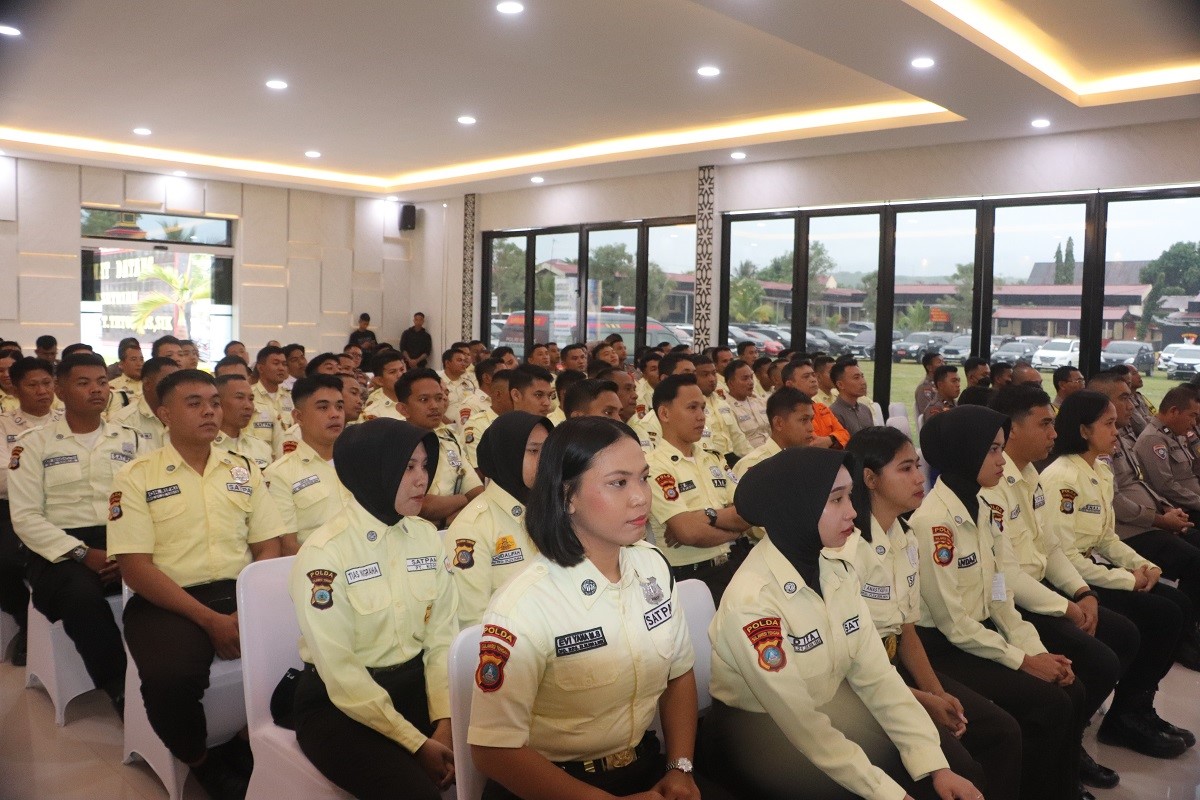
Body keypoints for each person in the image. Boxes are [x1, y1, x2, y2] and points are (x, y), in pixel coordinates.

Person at [470, 416, 732, 800]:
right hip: (555, 785)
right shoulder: (524, 604)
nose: (641, 497)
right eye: (618, 483)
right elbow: (492, 751)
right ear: (567, 496)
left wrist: (680, 768)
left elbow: (678, 673)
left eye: (643, 478)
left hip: (644, 767)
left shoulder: (651, 565)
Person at [702, 447, 983, 800]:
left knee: (954, 773)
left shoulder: (835, 570)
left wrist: (934, 765)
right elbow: (802, 724)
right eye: (837, 499)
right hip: (757, 738)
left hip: (828, 709)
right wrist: (889, 794)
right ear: (797, 507)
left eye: (850, 496)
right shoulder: (753, 602)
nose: (852, 511)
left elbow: (877, 677)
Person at [109, 369, 285, 800]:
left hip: (240, 591)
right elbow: (135, 568)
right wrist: (211, 621)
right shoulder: (137, 476)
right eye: (194, 403)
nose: (210, 411)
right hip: (167, 598)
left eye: (214, 402)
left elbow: (269, 546)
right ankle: (203, 761)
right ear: (165, 413)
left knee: (311, 646)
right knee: (170, 679)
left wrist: (246, 609)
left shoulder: (243, 468)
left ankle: (247, 735)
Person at [912, 405, 1087, 800]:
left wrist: (1037, 652)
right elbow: (954, 624)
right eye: (992, 450)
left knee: (1071, 689)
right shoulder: (933, 524)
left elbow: (1001, 594)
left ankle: (1057, 788)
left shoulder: (985, 507)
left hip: (980, 634)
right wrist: (1023, 661)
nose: (1001, 460)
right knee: (1049, 704)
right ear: (965, 451)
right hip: (945, 646)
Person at [848, 427, 1023, 800]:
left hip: (900, 664)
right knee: (964, 768)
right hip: (861, 683)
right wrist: (926, 700)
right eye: (905, 469)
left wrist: (937, 692)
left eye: (917, 466)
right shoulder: (851, 550)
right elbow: (856, 667)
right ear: (870, 479)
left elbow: (907, 634)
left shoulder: (907, 536)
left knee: (1002, 730)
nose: (918, 478)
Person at [290, 420, 456, 800]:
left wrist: (445, 719)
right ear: (370, 470)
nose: (422, 479)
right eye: (408, 467)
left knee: (505, 759)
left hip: (415, 688)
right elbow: (340, 670)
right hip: (340, 706)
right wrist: (416, 742)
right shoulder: (325, 554)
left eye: (425, 465)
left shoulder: (426, 537)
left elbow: (442, 638)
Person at [981, 385, 1132, 787]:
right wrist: (1067, 607)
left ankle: (1071, 743)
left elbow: (1050, 548)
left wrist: (1083, 592)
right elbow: (1006, 575)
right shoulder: (993, 485)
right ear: (1012, 430)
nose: (1054, 433)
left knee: (1119, 639)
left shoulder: (1031, 475)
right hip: (1007, 601)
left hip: (1038, 588)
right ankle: (1054, 755)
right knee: (1094, 665)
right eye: (1045, 423)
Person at [1037, 390, 1194, 759]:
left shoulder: (1100, 471)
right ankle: (1124, 716)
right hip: (1069, 581)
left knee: (1179, 605)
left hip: (1093, 570)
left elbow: (1106, 538)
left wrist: (1143, 565)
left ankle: (1135, 707)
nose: (1117, 429)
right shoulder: (1061, 478)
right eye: (1108, 424)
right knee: (1161, 614)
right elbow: (1064, 557)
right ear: (1084, 430)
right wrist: (1127, 580)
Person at [9, 353, 139, 713]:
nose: (96, 389)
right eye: (84, 383)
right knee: (81, 596)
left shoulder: (131, 440)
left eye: (102, 382)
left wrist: (127, 552)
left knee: (172, 578)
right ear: (61, 390)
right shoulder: (33, 444)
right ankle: (120, 688)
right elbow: (26, 517)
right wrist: (83, 553)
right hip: (58, 549)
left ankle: (164, 675)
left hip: (121, 540)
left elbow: (145, 505)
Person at [1090, 372, 1200, 667]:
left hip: (1150, 520)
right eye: (1124, 398)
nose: (1133, 404)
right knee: (1194, 561)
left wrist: (1166, 511)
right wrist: (1160, 520)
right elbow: (1115, 501)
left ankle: (1189, 629)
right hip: (1129, 531)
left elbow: (1142, 484)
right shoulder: (1100, 450)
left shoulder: (1122, 438)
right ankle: (1184, 640)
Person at [646, 374, 751, 601]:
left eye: (702, 408)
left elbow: (747, 513)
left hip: (733, 564)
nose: (701, 416)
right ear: (664, 414)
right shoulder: (654, 466)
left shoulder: (714, 458)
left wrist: (705, 516)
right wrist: (734, 530)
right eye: (692, 408)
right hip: (690, 577)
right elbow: (688, 532)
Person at [446, 412, 551, 628]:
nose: (545, 461)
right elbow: (474, 622)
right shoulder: (473, 527)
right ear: (507, 455)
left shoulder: (554, 511)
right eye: (533, 451)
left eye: (548, 451)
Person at [0, 357, 62, 664]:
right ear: (14, 389)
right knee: (6, 562)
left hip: (63, 506)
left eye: (47, 383)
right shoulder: (4, 424)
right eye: (32, 385)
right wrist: (52, 477)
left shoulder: (68, 419)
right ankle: (26, 622)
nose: (42, 391)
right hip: (12, 507)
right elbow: (1, 478)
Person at [265, 375, 347, 555]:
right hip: (317, 568)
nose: (335, 414)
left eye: (339, 406)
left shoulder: (360, 463)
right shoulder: (280, 473)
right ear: (298, 417)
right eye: (323, 407)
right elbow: (287, 546)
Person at [396, 368, 484, 527]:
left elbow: (477, 492)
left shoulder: (449, 438)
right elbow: (424, 507)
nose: (435, 406)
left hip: (454, 528)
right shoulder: (397, 446)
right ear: (403, 409)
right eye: (424, 400)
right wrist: (462, 499)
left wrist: (445, 516)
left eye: (439, 398)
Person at [731, 387, 815, 543]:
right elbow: (753, 526)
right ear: (779, 423)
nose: (811, 428)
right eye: (804, 420)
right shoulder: (754, 465)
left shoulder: (809, 460)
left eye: (812, 420)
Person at [1132, 385, 1200, 524]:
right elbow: (1165, 486)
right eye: (1192, 416)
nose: (1194, 423)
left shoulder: (1175, 434)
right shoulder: (1153, 439)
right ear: (1174, 411)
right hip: (1181, 511)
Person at [108, 356, 178, 449]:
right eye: (167, 381)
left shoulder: (184, 417)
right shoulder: (124, 422)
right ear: (147, 384)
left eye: (177, 382)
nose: (174, 387)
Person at [781, 359, 850, 450]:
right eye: (806, 377)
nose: (813, 380)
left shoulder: (821, 408)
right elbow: (811, 443)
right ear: (790, 385)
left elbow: (845, 435)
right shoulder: (787, 413)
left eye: (813, 375)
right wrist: (834, 439)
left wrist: (830, 440)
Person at [212, 374, 274, 469]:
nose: (248, 406)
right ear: (218, 402)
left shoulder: (261, 447)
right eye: (239, 397)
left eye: (251, 399)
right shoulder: (204, 448)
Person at [724, 360, 769, 450]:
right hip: (751, 454)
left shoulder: (760, 401)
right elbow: (738, 444)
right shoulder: (727, 407)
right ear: (731, 383)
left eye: (751, 377)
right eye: (745, 379)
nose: (751, 382)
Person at [830, 358, 873, 435]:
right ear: (840, 385)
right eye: (856, 378)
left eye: (862, 376)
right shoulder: (833, 413)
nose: (863, 382)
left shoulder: (865, 409)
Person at [363, 350, 408, 421]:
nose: (400, 375)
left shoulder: (416, 398)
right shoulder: (373, 412)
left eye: (402, 370)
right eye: (392, 372)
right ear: (380, 381)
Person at [107, 339, 145, 413]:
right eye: (133, 359)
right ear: (121, 364)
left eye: (141, 359)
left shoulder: (151, 385)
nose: (139, 363)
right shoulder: (112, 386)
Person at [914, 352, 944, 418]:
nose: (943, 365)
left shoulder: (939, 385)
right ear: (929, 368)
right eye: (939, 362)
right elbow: (927, 413)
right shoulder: (924, 388)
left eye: (943, 362)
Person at [635, 351, 662, 418]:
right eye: (654, 369)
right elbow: (642, 419)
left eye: (661, 368)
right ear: (644, 374)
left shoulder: (673, 389)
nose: (659, 372)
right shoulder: (640, 396)